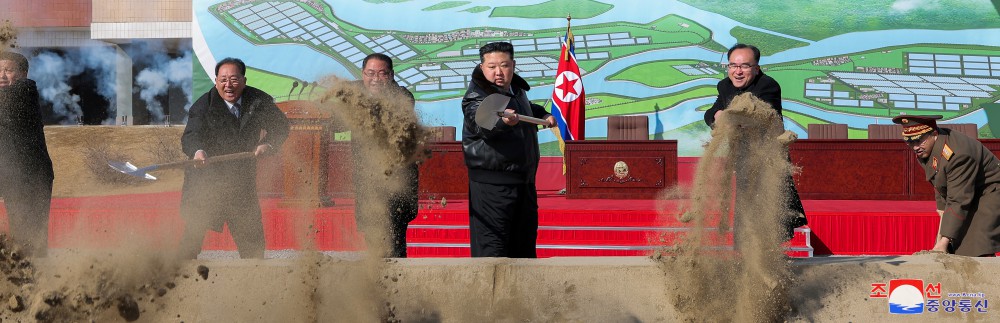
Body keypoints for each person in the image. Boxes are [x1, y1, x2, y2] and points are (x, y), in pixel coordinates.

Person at [178, 57, 289, 259]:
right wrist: (197, 151)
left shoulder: (258, 102)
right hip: (207, 181)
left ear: (244, 81)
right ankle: (179, 280)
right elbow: (190, 136)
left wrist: (268, 144)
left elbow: (281, 127)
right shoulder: (203, 106)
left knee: (252, 242)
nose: (228, 85)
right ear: (216, 81)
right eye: (223, 80)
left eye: (234, 79)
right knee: (192, 239)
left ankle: (254, 281)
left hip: (241, 181)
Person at [703, 43, 807, 243]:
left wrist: (729, 117)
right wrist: (718, 114)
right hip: (743, 157)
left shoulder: (768, 86)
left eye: (744, 66)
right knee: (745, 210)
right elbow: (711, 113)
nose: (738, 71)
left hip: (768, 158)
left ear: (756, 68)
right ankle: (742, 258)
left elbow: (760, 118)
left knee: (771, 211)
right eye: (733, 65)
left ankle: (771, 260)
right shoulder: (724, 86)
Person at [461, 42, 556, 257]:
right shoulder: (476, 96)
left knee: (523, 249)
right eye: (492, 66)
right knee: (493, 251)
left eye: (504, 66)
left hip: (524, 181)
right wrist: (504, 122)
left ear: (513, 65)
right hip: (492, 186)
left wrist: (542, 115)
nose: (498, 72)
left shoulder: (516, 89)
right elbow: (482, 123)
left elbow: (526, 109)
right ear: (482, 67)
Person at [892, 115, 1000, 257]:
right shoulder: (927, 150)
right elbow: (940, 185)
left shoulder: (959, 155)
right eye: (910, 142)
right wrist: (939, 241)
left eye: (919, 140)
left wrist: (943, 243)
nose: (915, 147)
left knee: (975, 246)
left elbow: (958, 200)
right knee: (953, 244)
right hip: (966, 190)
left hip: (990, 191)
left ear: (934, 134)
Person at [351, 53, 419, 258]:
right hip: (366, 177)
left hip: (395, 178)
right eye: (370, 73)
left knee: (394, 234)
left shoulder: (402, 96)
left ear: (391, 75)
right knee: (372, 232)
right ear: (362, 74)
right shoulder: (353, 92)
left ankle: (397, 282)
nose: (375, 79)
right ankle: (375, 280)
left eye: (382, 74)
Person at [0, 51, 54, 257]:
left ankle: (35, 283)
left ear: (23, 73)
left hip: (32, 175)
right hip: (8, 170)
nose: (2, 75)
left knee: (29, 235)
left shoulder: (24, 90)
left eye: (8, 70)